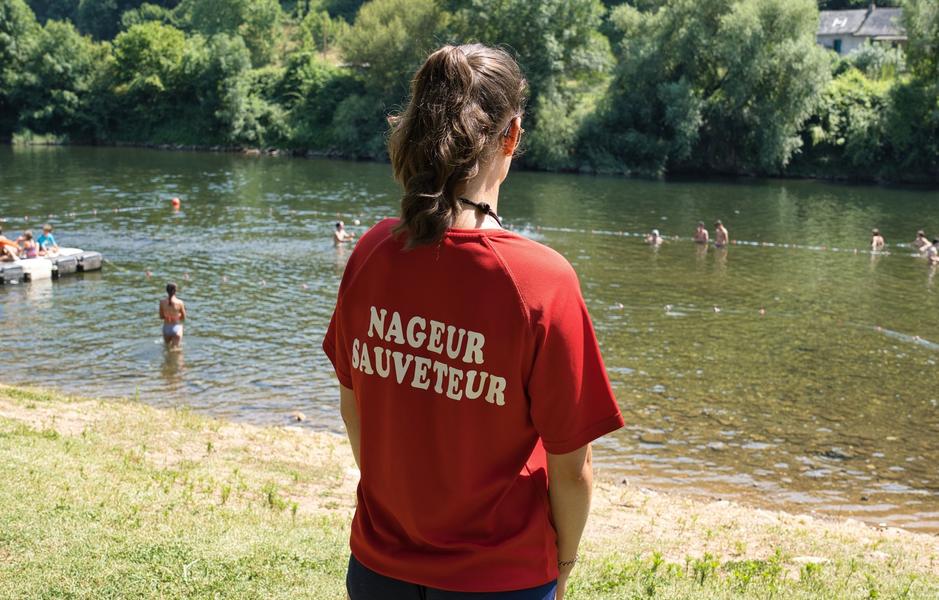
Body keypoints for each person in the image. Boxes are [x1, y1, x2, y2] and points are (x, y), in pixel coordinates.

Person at [323, 45, 623, 600]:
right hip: (500, 579)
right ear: (511, 136)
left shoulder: (369, 253)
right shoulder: (541, 281)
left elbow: (353, 408)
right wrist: (567, 558)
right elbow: (573, 468)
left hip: (378, 567)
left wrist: (400, 511)